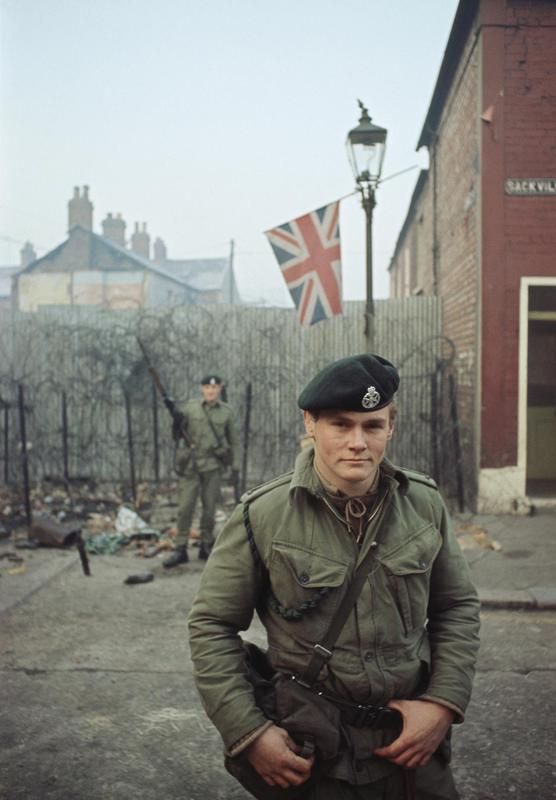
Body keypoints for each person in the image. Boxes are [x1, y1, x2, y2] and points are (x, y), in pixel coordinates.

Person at [188, 354, 480, 798]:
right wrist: (249, 731)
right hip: (313, 750)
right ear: (310, 424)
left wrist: (441, 704)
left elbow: (456, 606)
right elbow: (212, 625)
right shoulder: (262, 515)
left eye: (373, 426)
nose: (357, 442)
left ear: (391, 427)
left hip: (410, 749)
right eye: (341, 425)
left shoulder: (424, 505)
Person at [164, 373, 238, 567]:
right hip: (191, 466)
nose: (210, 391)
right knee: (185, 508)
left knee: (209, 509)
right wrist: (176, 420)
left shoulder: (226, 412)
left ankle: (206, 546)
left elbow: (233, 441)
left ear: (219, 389)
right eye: (207, 387)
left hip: (213, 466)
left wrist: (234, 466)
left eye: (214, 388)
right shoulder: (190, 408)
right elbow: (176, 435)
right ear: (201, 389)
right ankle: (180, 549)